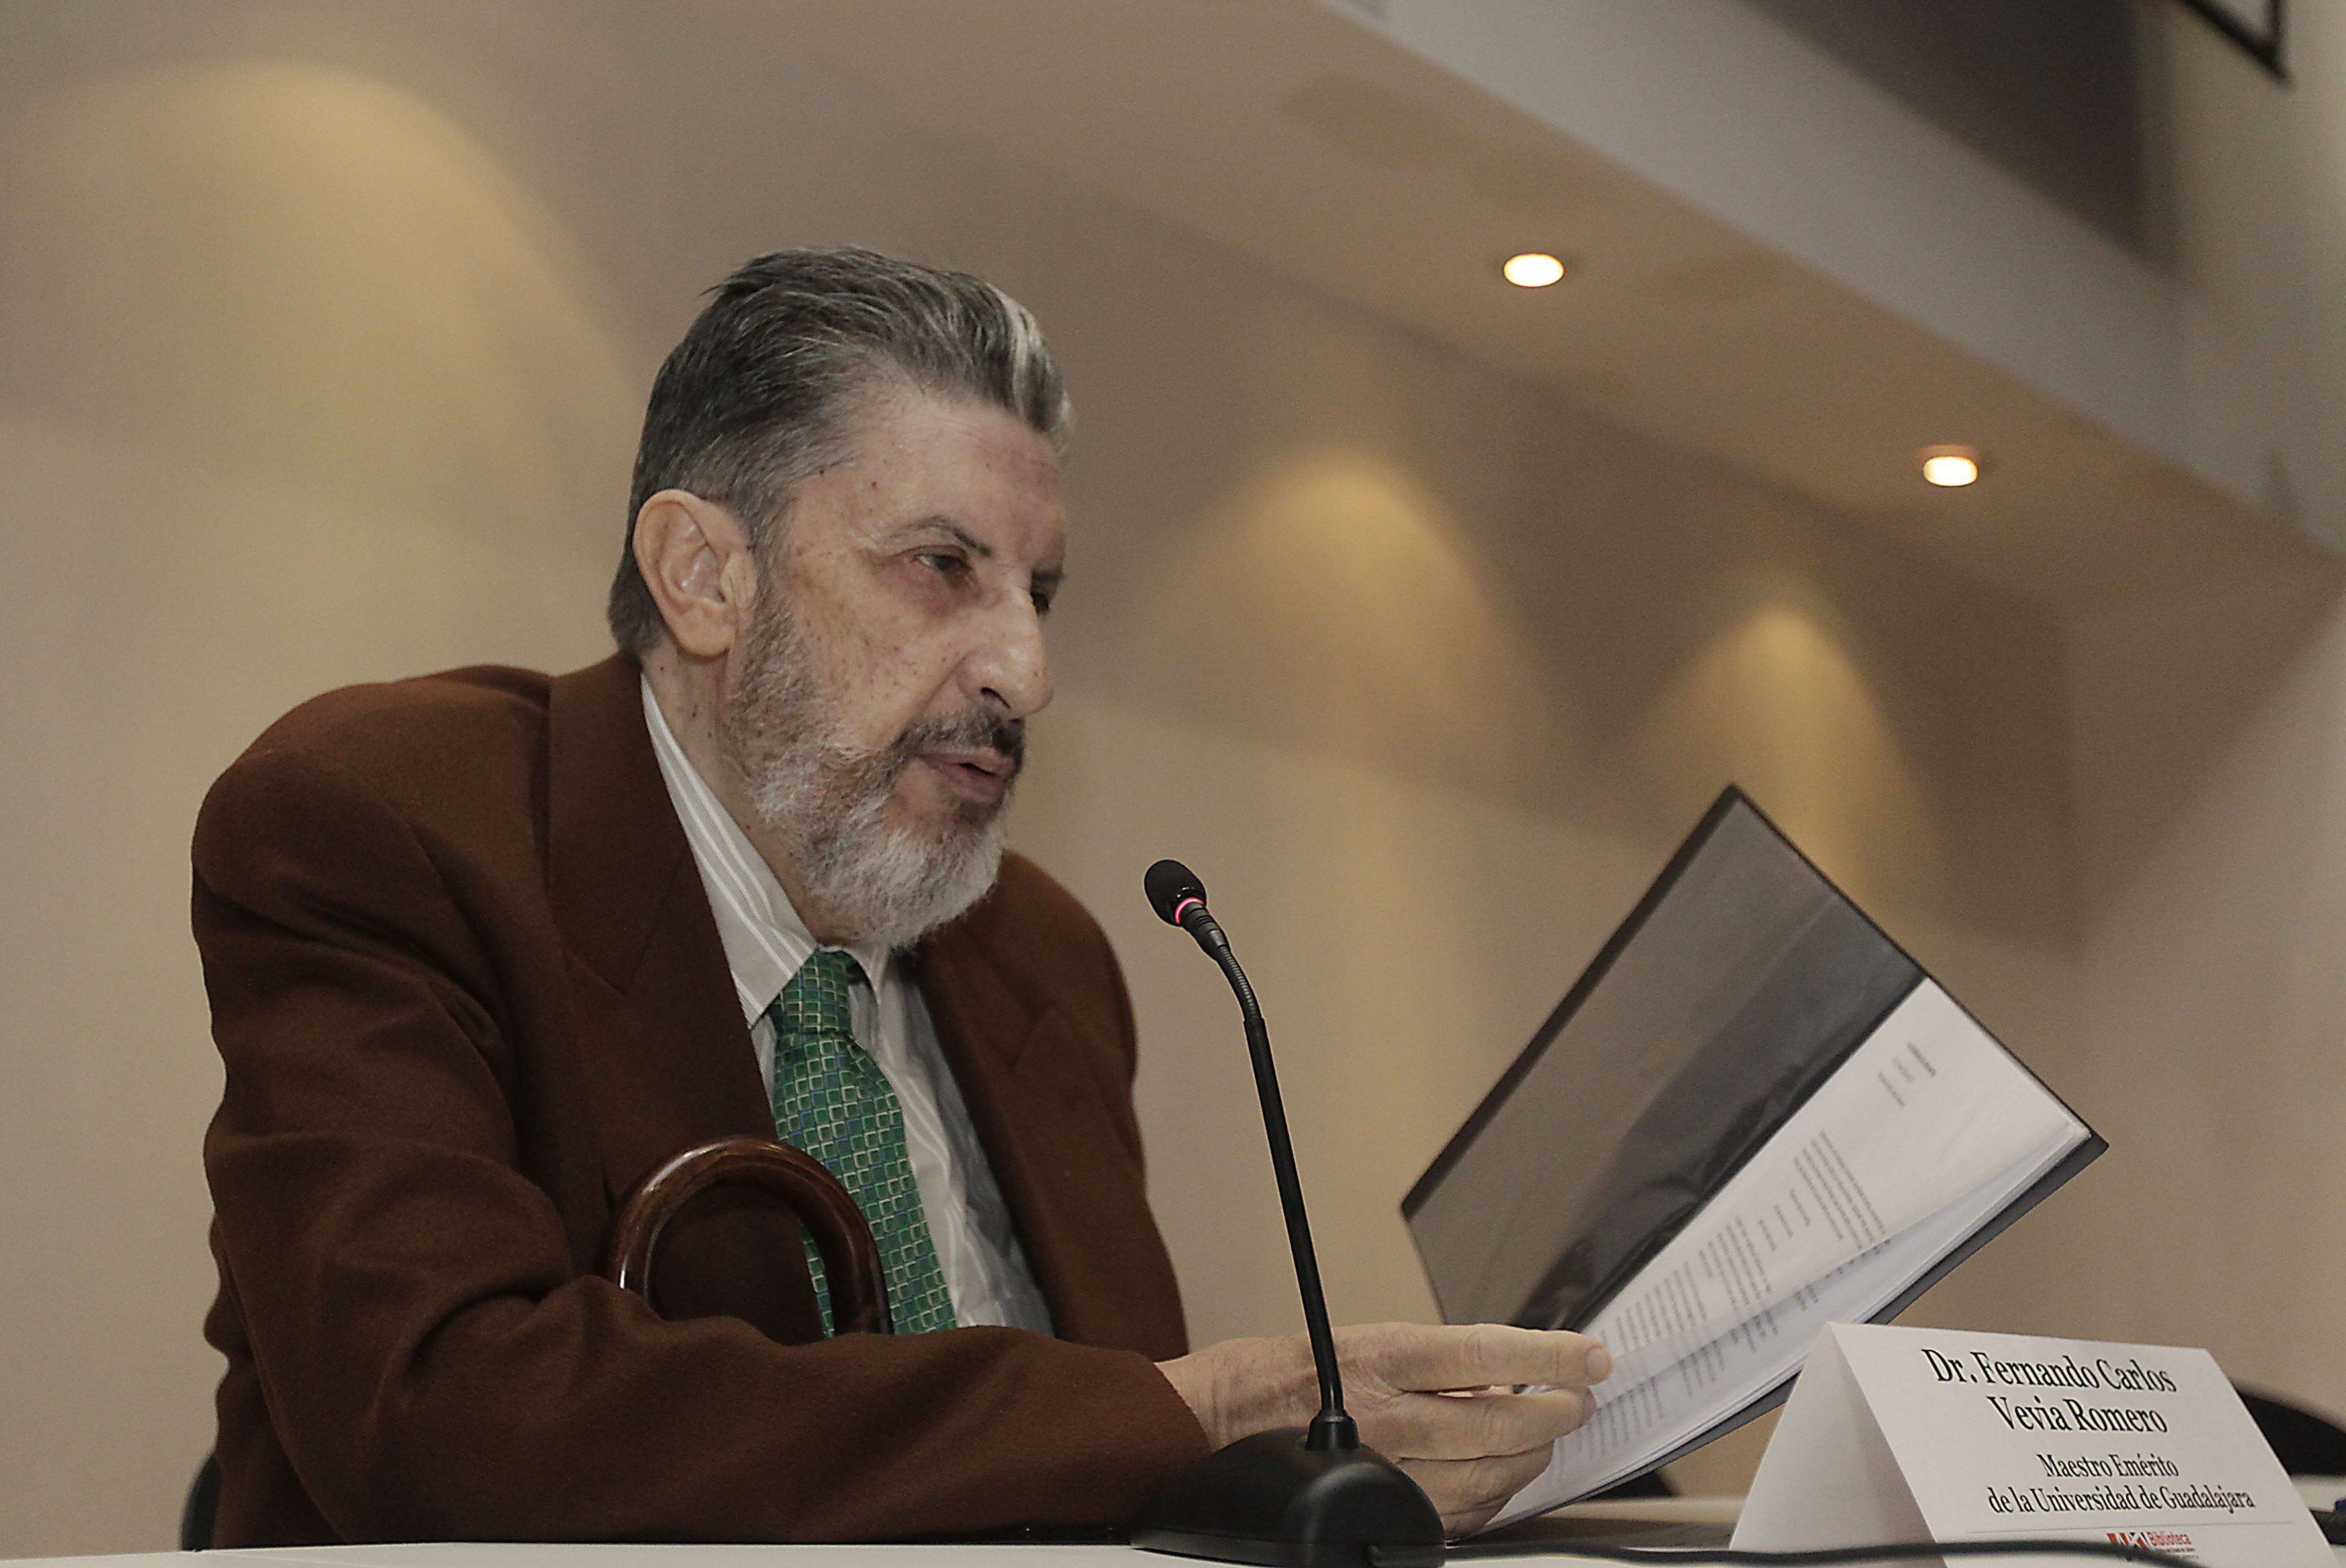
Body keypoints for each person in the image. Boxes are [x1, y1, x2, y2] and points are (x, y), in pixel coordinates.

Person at [192, 248, 1611, 1547]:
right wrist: (1207, 1410)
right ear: (703, 575)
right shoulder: (391, 823)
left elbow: (1096, 1465)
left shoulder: (1043, 953)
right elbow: (441, 1413)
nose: (1025, 673)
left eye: (1038, 592)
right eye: (943, 567)